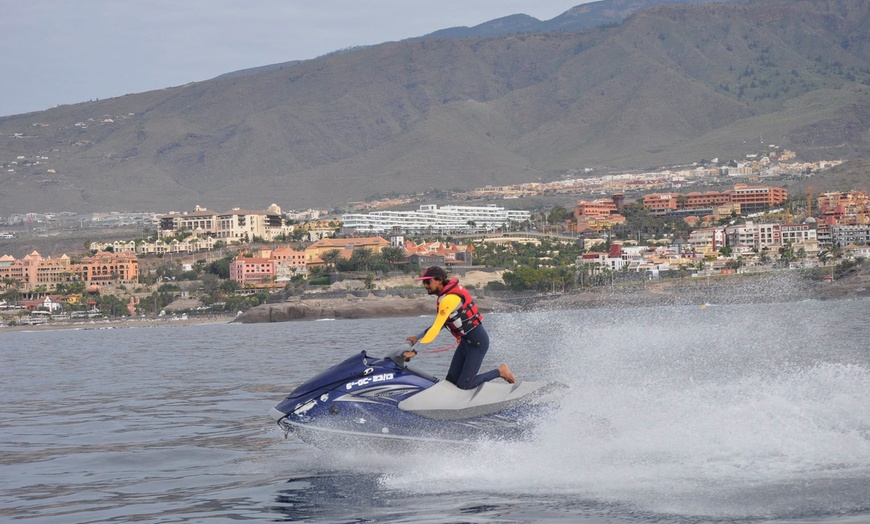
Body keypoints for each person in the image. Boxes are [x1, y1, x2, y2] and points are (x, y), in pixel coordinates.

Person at [403, 265, 515, 389]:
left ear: (439, 280)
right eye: (424, 282)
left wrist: (415, 350)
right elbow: (441, 323)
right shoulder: (443, 296)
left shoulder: (450, 299)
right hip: (465, 343)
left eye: (428, 282)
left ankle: (500, 371)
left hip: (477, 343)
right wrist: (417, 337)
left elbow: (436, 327)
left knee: (465, 385)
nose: (425, 285)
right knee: (450, 382)